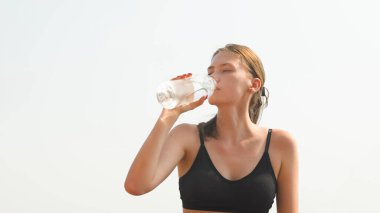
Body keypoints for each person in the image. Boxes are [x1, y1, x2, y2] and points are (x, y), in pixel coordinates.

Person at [125, 44, 299, 213]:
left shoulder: (280, 144)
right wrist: (169, 115)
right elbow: (136, 186)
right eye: (210, 72)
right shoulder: (187, 137)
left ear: (254, 84)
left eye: (226, 70)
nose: (214, 77)